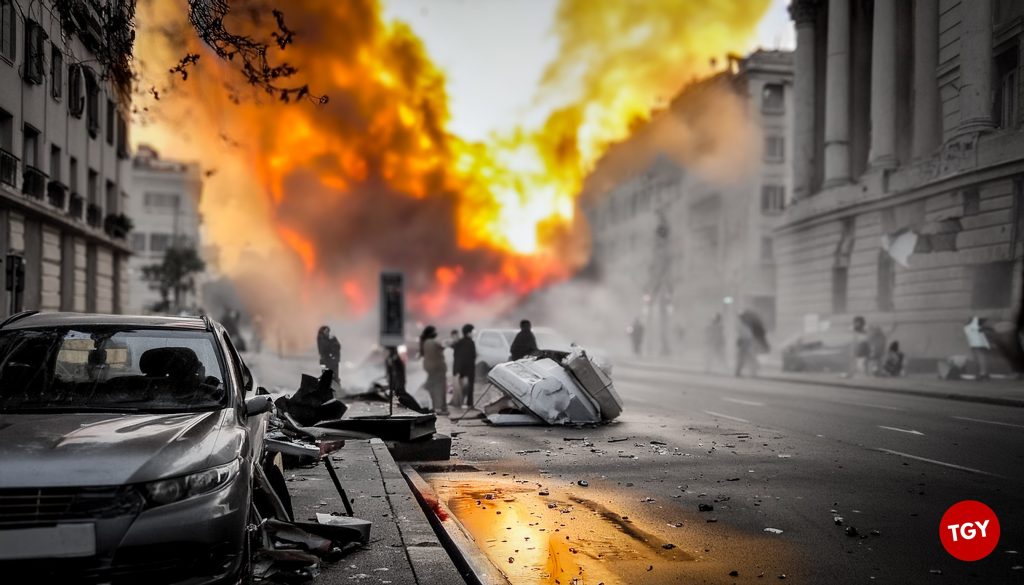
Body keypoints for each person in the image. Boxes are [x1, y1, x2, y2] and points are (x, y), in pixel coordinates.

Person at [419, 325, 448, 415]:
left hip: (430, 368)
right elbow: (442, 347)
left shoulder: (424, 342)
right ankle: (440, 408)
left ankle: (436, 407)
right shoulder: (432, 342)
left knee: (432, 387)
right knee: (440, 388)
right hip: (438, 368)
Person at [452, 324, 477, 408]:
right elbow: (472, 356)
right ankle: (469, 404)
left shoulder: (459, 343)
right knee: (468, 389)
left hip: (461, 370)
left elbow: (456, 357)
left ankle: (461, 403)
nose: (474, 333)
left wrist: (457, 371)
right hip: (468, 370)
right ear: (468, 333)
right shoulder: (470, 343)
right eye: (473, 331)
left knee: (462, 388)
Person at [963, 316, 992, 380]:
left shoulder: (975, 319)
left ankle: (982, 373)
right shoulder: (974, 319)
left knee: (978, 354)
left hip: (975, 336)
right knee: (978, 354)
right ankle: (981, 373)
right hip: (973, 336)